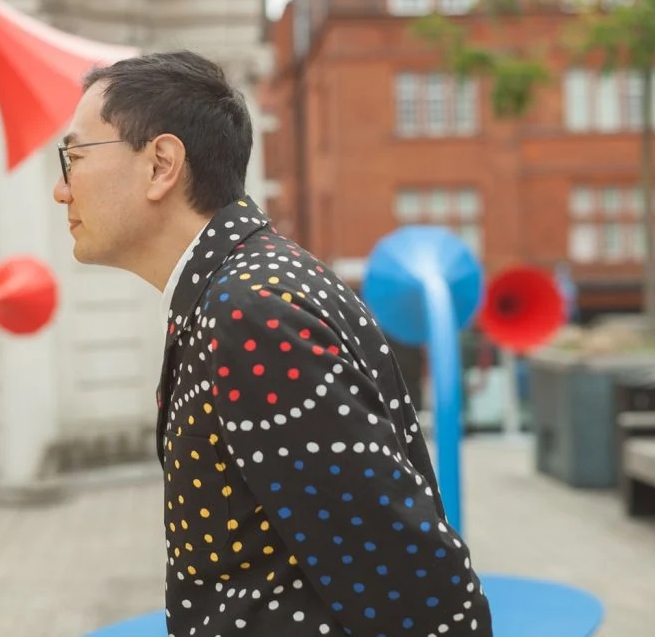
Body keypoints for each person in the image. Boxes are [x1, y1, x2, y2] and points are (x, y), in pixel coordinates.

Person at [52, 52, 494, 637]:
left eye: (74, 156)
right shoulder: (243, 287)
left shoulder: (248, 312)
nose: (61, 190)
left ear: (161, 164)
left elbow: (409, 583)